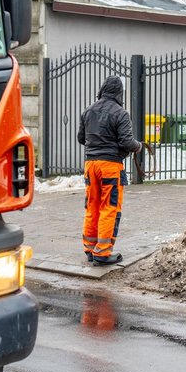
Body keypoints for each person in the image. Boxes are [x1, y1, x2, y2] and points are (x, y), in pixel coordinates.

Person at [77, 76, 142, 265]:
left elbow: (81, 138)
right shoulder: (121, 113)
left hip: (91, 165)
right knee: (109, 207)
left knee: (92, 206)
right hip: (110, 167)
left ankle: (90, 248)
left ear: (103, 89)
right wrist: (138, 146)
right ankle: (103, 252)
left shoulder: (88, 111)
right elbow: (126, 142)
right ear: (119, 93)